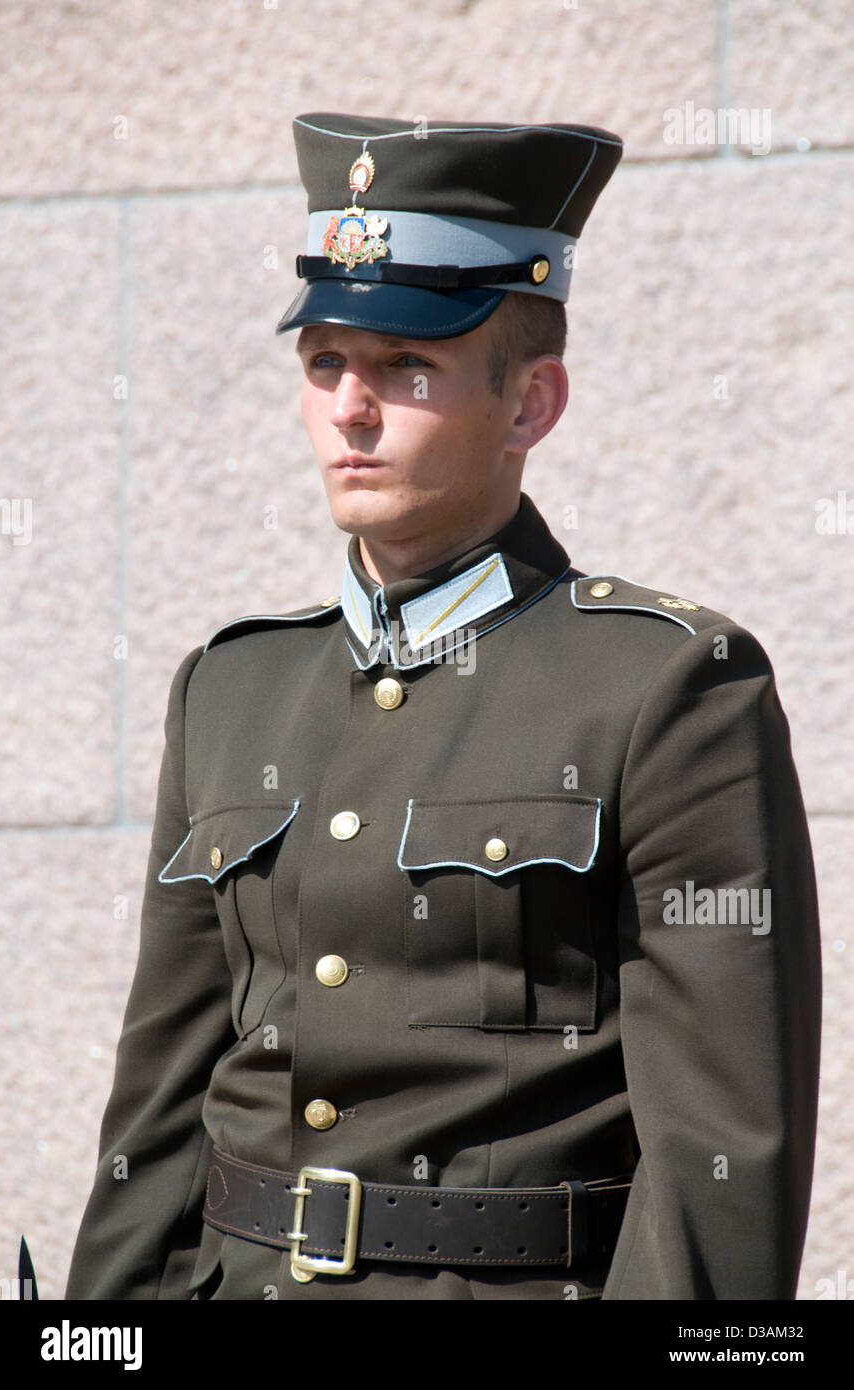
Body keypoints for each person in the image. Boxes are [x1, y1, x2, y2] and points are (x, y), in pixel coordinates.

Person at [65, 113, 821, 1301]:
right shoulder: (230, 688)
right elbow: (156, 1118)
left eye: (404, 369)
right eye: (325, 364)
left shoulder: (668, 686)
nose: (350, 410)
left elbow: (718, 1165)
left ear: (530, 404)